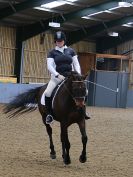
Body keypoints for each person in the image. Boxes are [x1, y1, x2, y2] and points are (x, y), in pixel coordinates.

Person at [44, 31, 90, 124]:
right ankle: (49, 115)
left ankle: (83, 111)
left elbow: (76, 64)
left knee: (85, 91)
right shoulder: (52, 53)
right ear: (55, 41)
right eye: (57, 41)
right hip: (57, 77)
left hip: (71, 77)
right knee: (48, 92)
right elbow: (50, 66)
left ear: (64, 41)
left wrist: (78, 75)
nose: (59, 42)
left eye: (61, 41)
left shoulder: (71, 51)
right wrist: (57, 75)